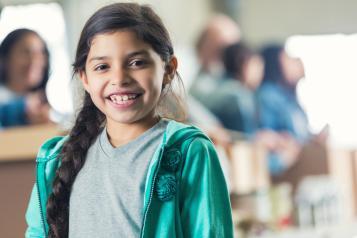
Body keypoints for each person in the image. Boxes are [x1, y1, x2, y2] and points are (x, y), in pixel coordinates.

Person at [25, 3, 233, 238]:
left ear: (168, 69)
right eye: (102, 67)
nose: (119, 78)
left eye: (137, 63)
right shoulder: (57, 160)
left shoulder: (190, 152)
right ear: (84, 78)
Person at [257, 45, 309, 174]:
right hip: (282, 169)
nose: (293, 63)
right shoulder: (268, 95)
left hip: (299, 163)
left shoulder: (290, 98)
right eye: (287, 58)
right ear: (275, 63)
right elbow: (267, 136)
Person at [0, 28, 51, 128]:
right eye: (25, 52)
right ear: (4, 59)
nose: (35, 60)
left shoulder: (42, 107)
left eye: (40, 53)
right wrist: (21, 108)